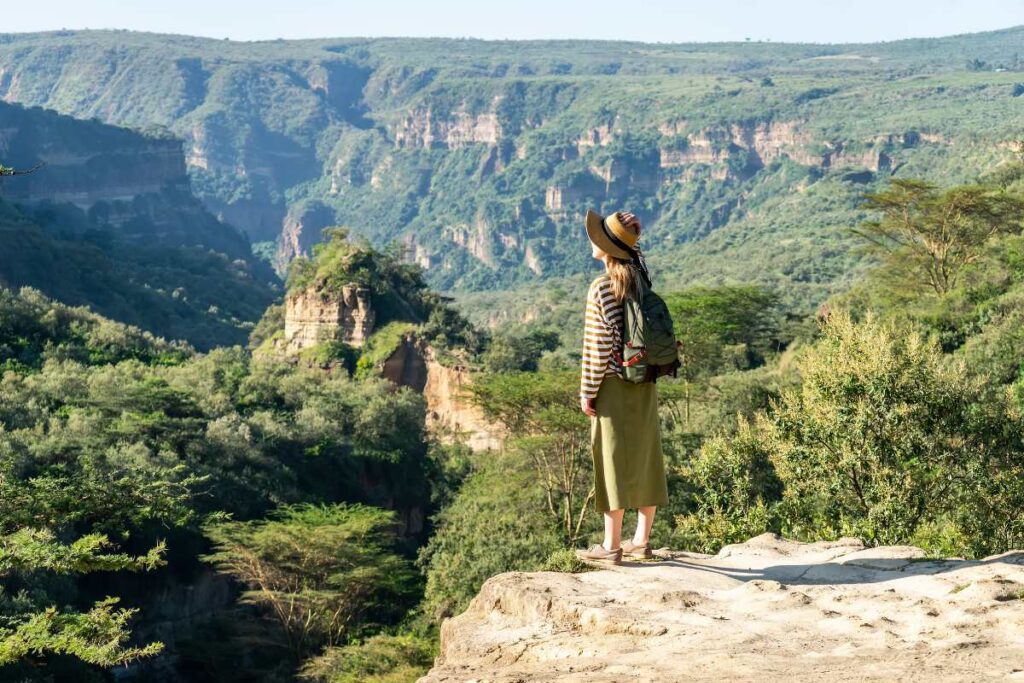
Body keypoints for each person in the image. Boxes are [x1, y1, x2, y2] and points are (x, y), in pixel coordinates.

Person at [575, 209, 669, 565]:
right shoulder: (640, 279)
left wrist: (588, 390)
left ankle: (611, 546)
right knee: (646, 453)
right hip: (643, 379)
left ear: (605, 246)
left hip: (613, 383)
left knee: (610, 459)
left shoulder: (601, 287)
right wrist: (633, 237)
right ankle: (641, 541)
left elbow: (597, 349)